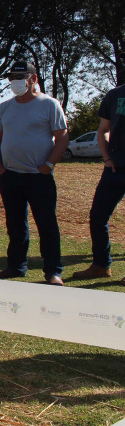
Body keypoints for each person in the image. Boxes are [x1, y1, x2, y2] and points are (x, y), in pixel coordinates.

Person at [0, 60, 69, 285]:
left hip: (39, 177)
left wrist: (49, 165)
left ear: (33, 78)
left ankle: (53, 272)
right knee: (15, 224)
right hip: (10, 176)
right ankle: (15, 266)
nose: (15, 81)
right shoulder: (4, 107)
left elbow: (62, 138)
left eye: (20, 77)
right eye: (12, 77)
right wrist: (0, 170)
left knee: (47, 224)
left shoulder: (49, 104)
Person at [72, 81, 125, 285]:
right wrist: (107, 158)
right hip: (114, 168)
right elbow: (103, 129)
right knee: (98, 216)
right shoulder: (114, 95)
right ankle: (101, 266)